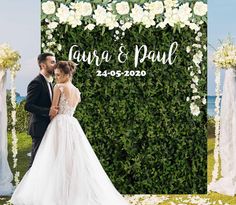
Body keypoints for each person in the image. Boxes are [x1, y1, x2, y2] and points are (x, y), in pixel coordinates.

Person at [10, 61, 131, 205]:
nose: (56, 78)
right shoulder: (77, 91)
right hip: (72, 124)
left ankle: (56, 195)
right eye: (55, 75)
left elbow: (53, 110)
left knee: (53, 158)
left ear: (67, 74)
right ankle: (70, 194)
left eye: (59, 75)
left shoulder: (58, 87)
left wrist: (50, 119)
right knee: (71, 161)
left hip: (59, 124)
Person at [24, 53, 58, 168]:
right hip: (39, 127)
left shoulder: (50, 83)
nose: (55, 64)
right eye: (52, 62)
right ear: (43, 65)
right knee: (35, 163)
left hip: (49, 127)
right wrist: (48, 111)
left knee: (46, 164)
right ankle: (28, 186)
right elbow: (28, 105)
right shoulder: (36, 82)